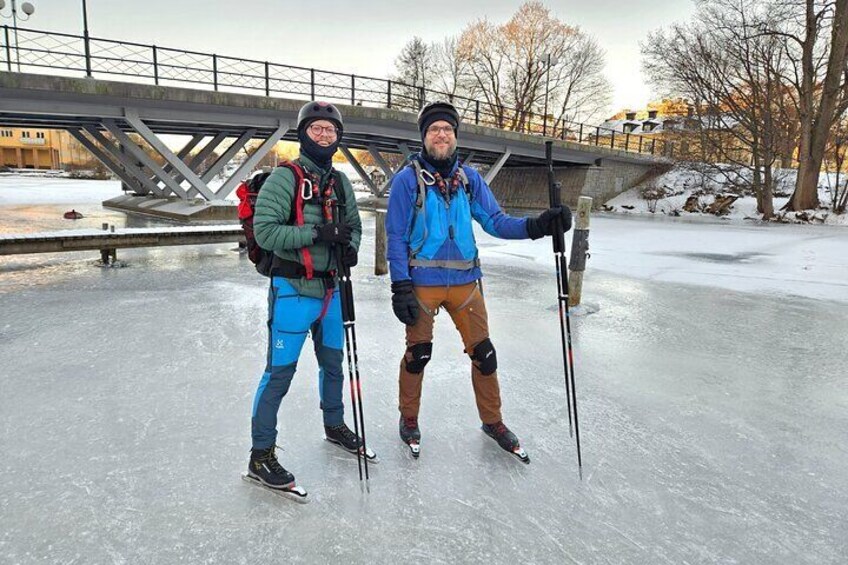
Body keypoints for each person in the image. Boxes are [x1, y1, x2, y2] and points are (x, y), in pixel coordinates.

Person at [385, 101, 572, 463]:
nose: (442, 135)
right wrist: (400, 285)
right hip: (423, 283)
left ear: (455, 136)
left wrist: (538, 226)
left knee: (485, 355)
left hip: (466, 282)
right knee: (418, 355)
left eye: (448, 129)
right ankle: (409, 419)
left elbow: (496, 221)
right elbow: (395, 237)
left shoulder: (470, 180)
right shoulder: (407, 180)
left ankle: (493, 421)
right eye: (434, 129)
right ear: (424, 137)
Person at [247, 100, 376, 490]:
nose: (324, 135)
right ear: (304, 134)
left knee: (334, 364)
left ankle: (334, 424)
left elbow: (353, 225)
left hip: (332, 290)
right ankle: (261, 455)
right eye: (317, 129)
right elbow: (265, 231)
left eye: (331, 130)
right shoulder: (284, 179)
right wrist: (317, 234)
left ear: (338, 137)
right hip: (292, 291)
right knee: (279, 374)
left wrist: (349, 245)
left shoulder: (340, 182)